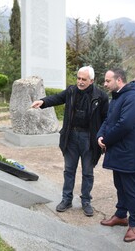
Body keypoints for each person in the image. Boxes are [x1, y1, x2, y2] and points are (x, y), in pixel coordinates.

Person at [31, 66, 109, 216]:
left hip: (89, 138)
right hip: (71, 136)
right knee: (69, 171)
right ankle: (66, 199)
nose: (80, 82)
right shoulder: (71, 91)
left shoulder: (101, 96)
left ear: (91, 80)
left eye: (83, 79)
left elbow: (107, 118)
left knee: (87, 172)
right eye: (78, 78)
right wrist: (42, 101)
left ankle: (86, 201)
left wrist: (103, 136)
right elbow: (57, 98)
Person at [97, 68, 135, 243]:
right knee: (120, 185)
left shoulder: (133, 97)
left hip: (129, 152)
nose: (105, 84)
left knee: (130, 189)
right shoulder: (117, 97)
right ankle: (120, 215)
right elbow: (108, 120)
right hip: (118, 150)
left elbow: (125, 125)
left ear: (119, 80)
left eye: (108, 81)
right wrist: (100, 136)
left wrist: (107, 140)